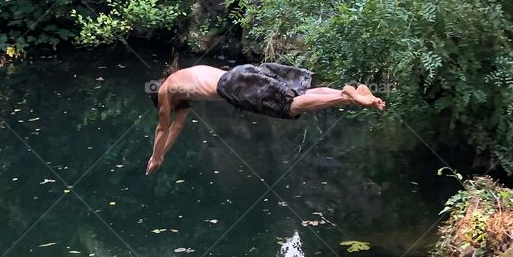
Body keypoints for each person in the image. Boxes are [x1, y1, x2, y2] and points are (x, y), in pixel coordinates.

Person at [146, 61, 384, 174]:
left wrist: (156, 158)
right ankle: (355, 94)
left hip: (232, 86)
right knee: (298, 94)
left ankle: (344, 95)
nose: (176, 110)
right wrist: (163, 154)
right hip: (242, 71)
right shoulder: (183, 80)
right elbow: (177, 128)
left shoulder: (166, 92)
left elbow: (163, 128)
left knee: (290, 107)